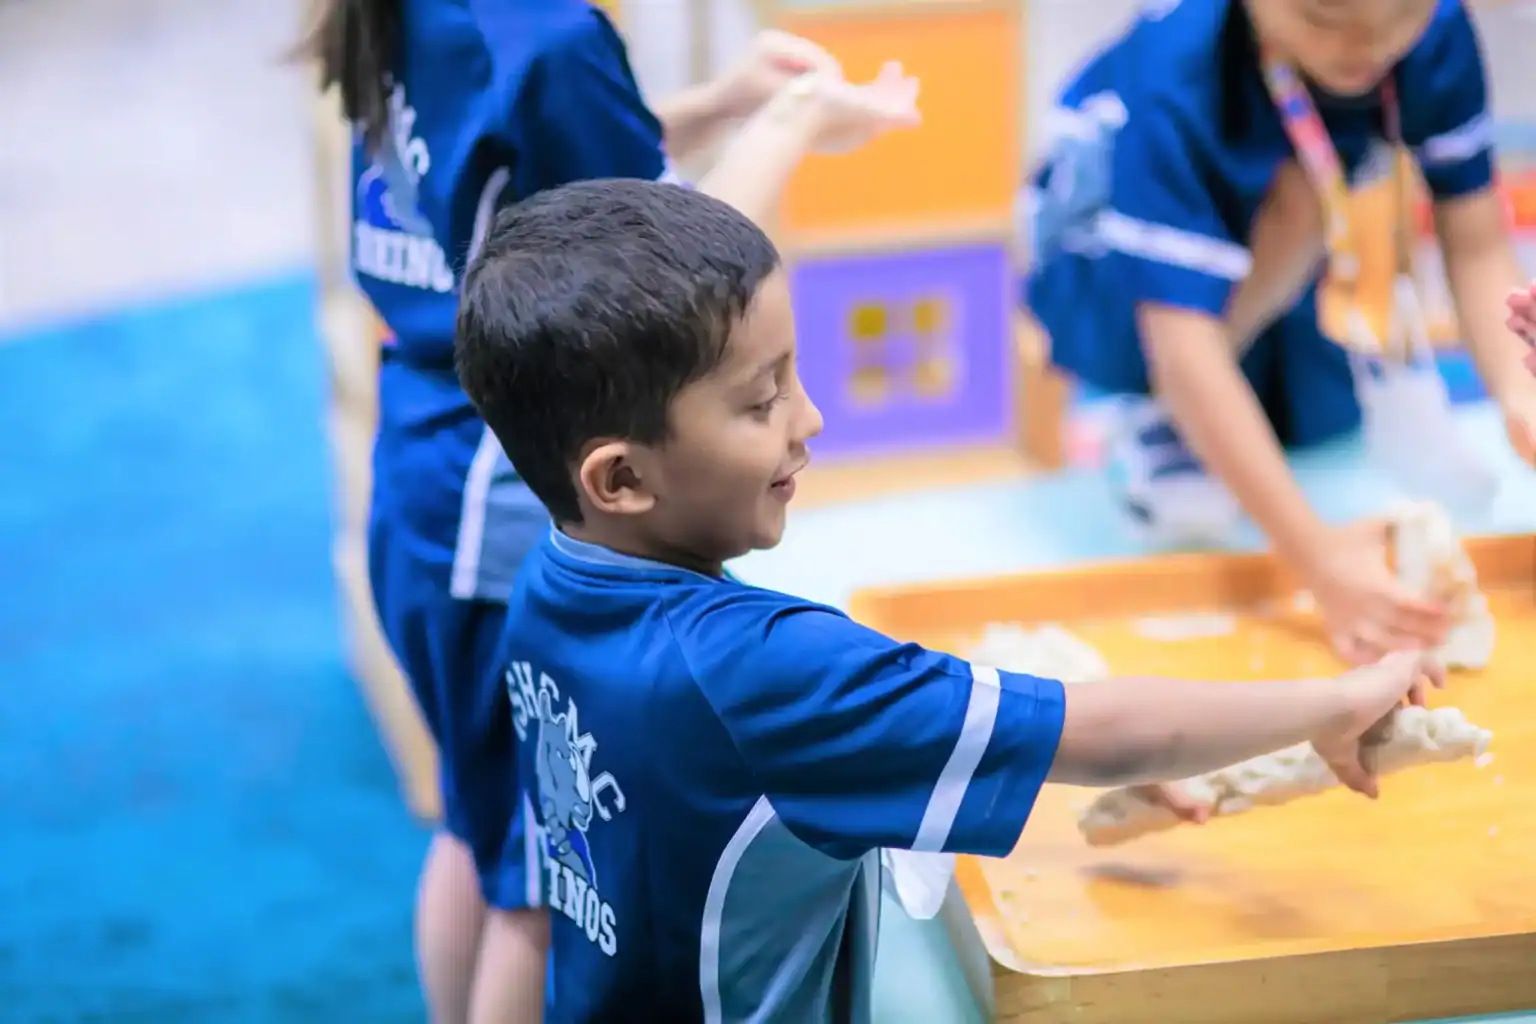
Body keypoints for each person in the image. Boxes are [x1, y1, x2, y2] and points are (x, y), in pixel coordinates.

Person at [453, 176, 1442, 1023]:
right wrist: (1330, 705)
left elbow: (744, 774)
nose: (810, 418)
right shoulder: (758, 669)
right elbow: (1107, 728)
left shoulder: (553, 573)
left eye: (791, 377)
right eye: (759, 403)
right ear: (620, 478)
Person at [296, 1, 917, 1020]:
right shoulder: (556, 38)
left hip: (422, 471)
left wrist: (720, 104)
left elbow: (543, 194)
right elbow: (675, 297)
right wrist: (792, 121)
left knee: (477, 826)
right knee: (540, 894)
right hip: (497, 506)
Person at [1023, 0, 1536, 669]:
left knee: (1316, 425)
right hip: (1102, 256)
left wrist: (1516, 391)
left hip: (1275, 241)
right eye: (1326, 22)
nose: (1368, 47)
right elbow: (1180, 341)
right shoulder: (1180, 67)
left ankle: (1218, 382)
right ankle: (1150, 406)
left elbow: (1474, 241)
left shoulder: (1433, 27)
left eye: (1400, 22)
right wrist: (1318, 561)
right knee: (1193, 469)